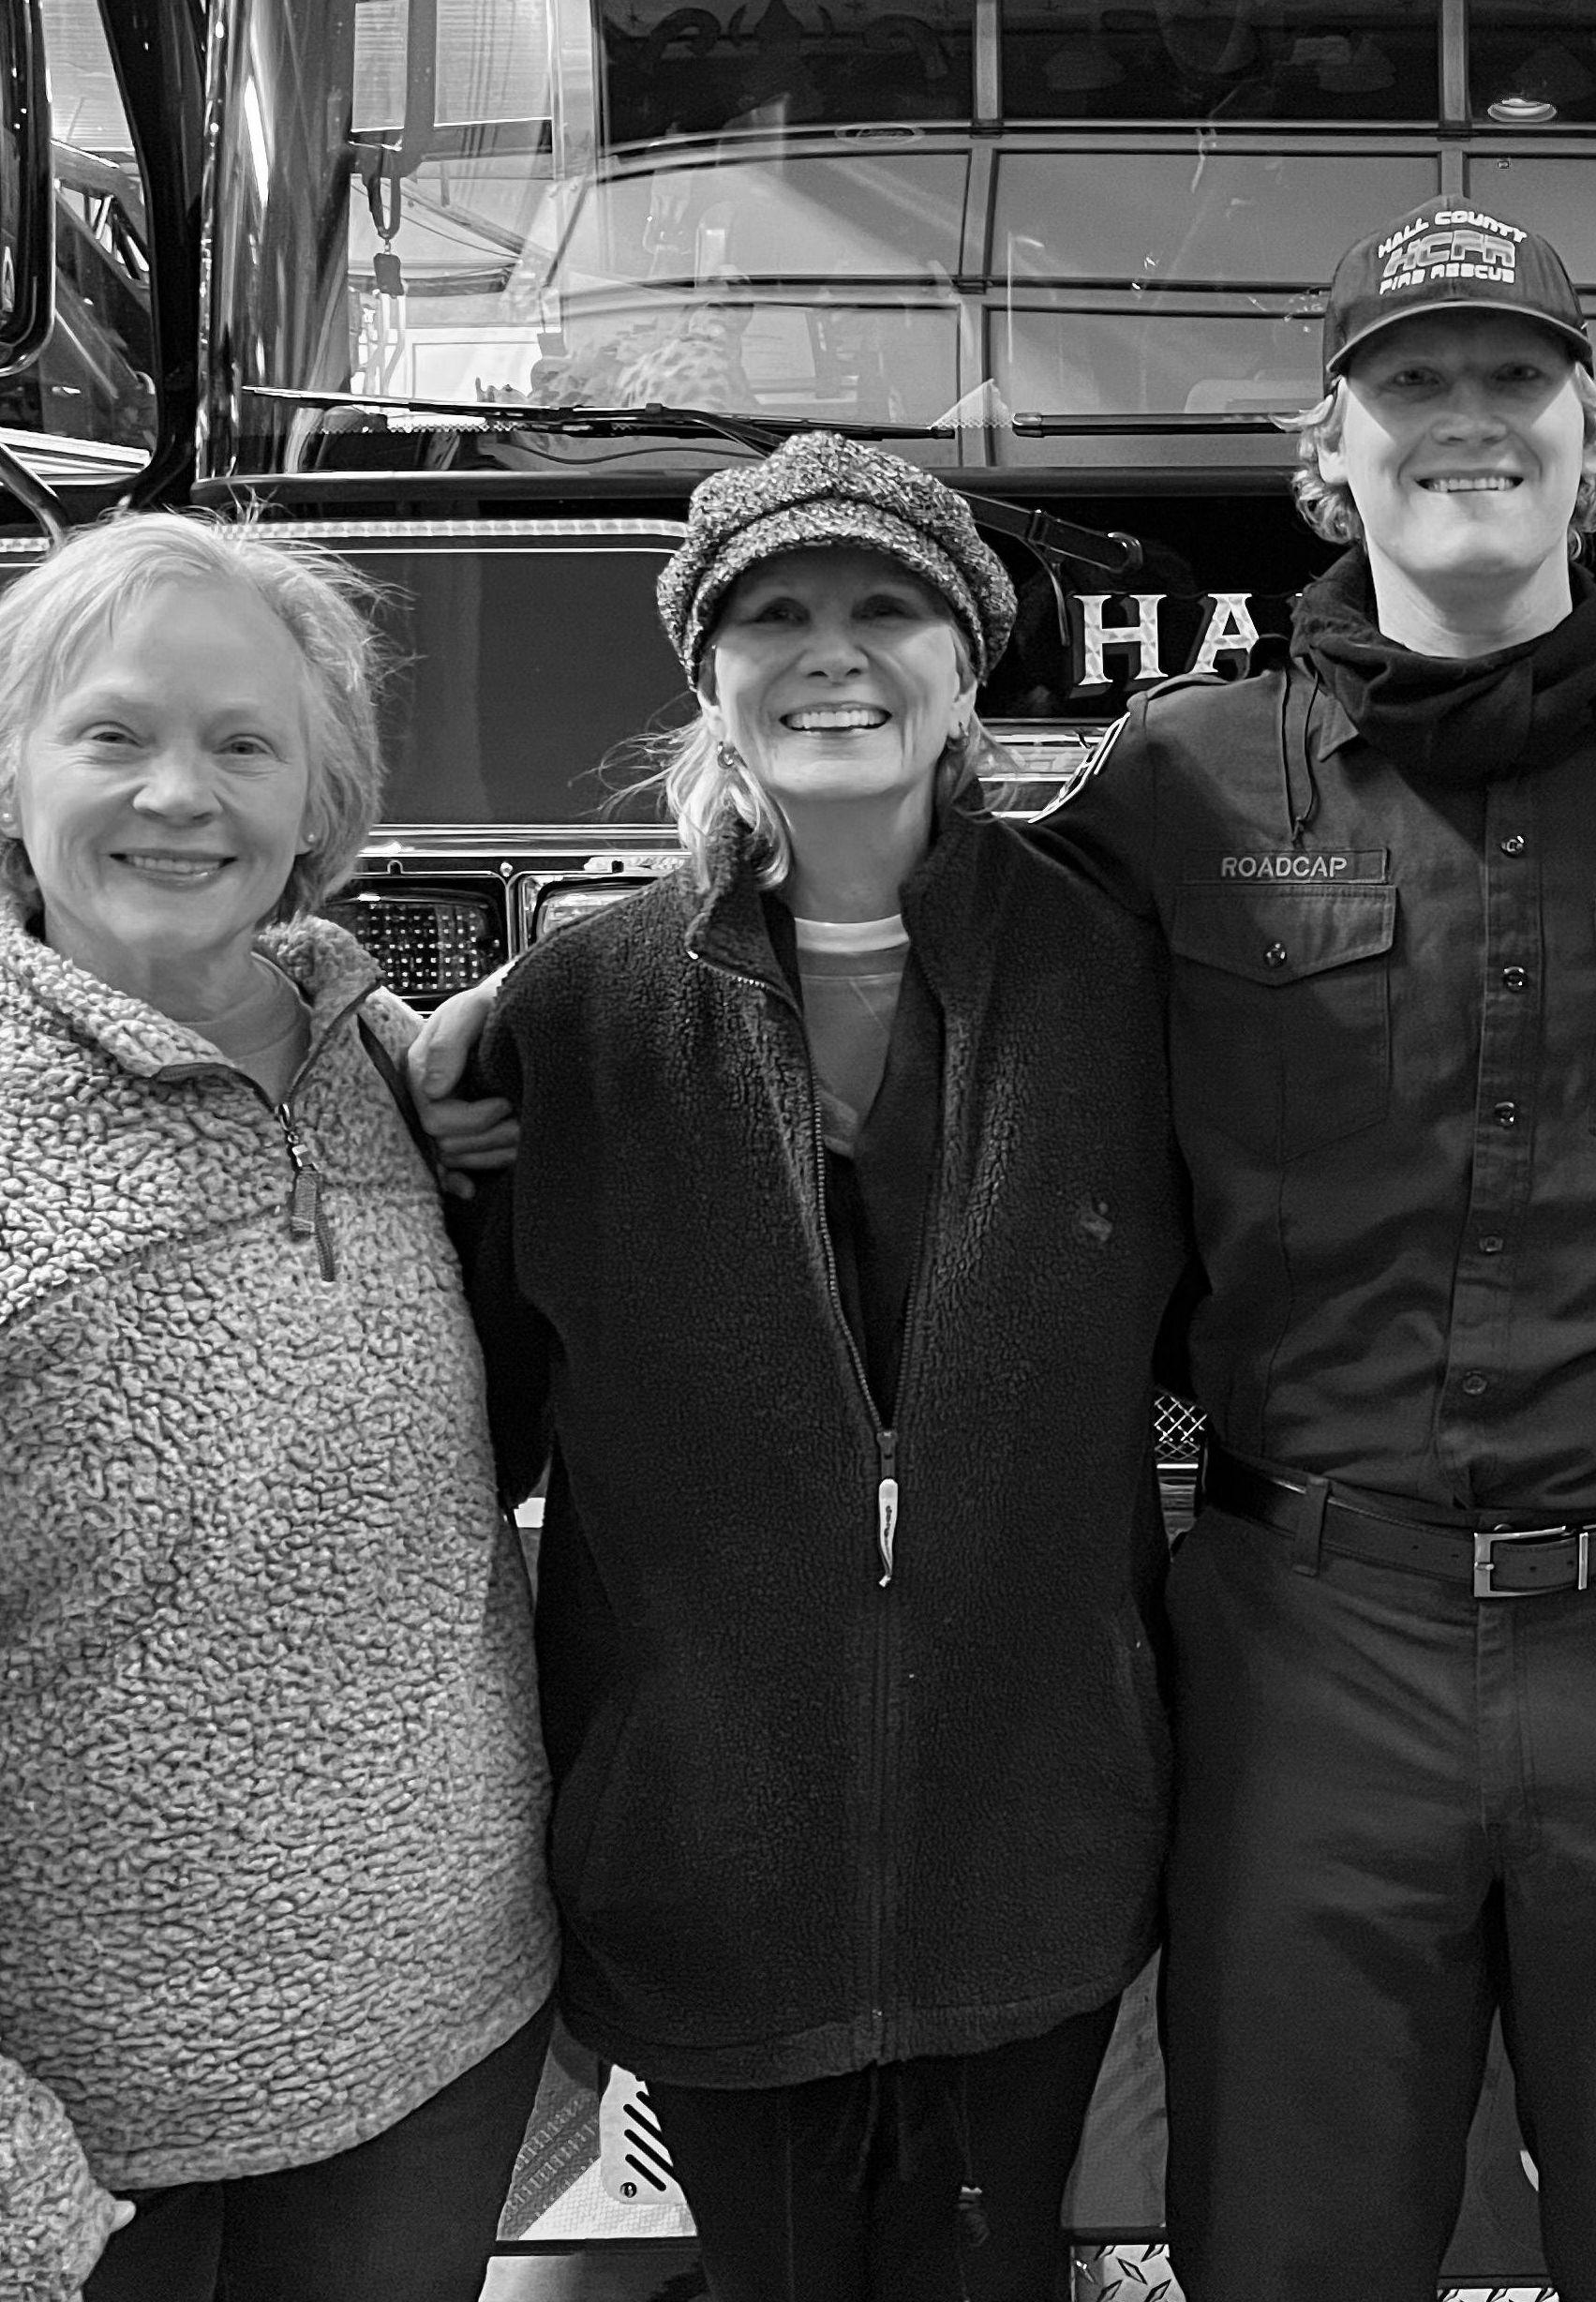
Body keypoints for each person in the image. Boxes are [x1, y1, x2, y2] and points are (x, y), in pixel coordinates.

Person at [1032, 197, 1596, 2301]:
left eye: (1516, 380)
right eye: (1413, 383)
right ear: (1331, 448)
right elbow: (965, 1069)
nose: (1464, 422)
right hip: (1310, 1649)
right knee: (1290, 2255)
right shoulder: (1176, 785)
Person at [456, 436, 1183, 2302]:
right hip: (709, 1871)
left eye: (885, 612)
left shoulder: (1120, 985)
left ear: (969, 671)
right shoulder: (577, 1011)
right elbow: (474, 1426)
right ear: (709, 672)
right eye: (774, 615)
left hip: (1032, 1851)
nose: (829, 655)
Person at [0, 514, 555, 2302]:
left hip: (441, 2042)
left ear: (322, 805)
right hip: (92, 2129)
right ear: (11, 768)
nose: (181, 795)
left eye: (244, 745)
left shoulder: (387, 1066)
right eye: (113, 734)